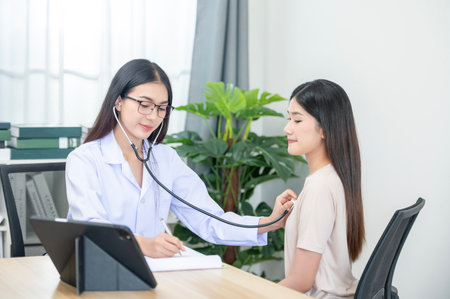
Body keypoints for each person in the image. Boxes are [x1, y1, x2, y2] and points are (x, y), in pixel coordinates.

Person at [65, 58, 295, 258]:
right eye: (144, 105)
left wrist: (269, 222)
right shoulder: (85, 160)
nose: (153, 116)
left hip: (150, 274)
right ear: (119, 101)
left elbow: (209, 219)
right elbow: (92, 227)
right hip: (95, 270)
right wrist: (145, 245)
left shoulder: (166, 160)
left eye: (162, 108)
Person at [278, 79, 365, 298]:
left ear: (325, 129)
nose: (287, 128)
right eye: (289, 119)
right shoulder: (335, 177)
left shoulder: (320, 187)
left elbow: (302, 281)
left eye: (297, 120)